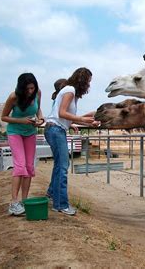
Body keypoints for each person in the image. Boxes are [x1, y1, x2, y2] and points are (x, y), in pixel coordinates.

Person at [44, 67, 99, 215]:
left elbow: (65, 117)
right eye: (88, 81)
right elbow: (62, 113)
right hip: (56, 130)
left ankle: (52, 195)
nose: (89, 85)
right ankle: (61, 204)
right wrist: (82, 119)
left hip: (55, 129)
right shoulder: (70, 90)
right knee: (63, 166)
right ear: (82, 80)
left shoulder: (70, 92)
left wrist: (88, 123)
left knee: (59, 166)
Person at [1, 73, 44, 216]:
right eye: (27, 89)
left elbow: (38, 109)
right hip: (15, 132)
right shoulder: (13, 97)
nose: (30, 91)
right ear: (21, 88)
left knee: (29, 166)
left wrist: (41, 118)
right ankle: (14, 203)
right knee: (20, 165)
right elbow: (4, 117)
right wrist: (22, 120)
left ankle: (24, 202)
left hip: (30, 132)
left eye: (32, 88)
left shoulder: (37, 93)